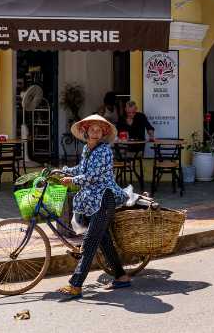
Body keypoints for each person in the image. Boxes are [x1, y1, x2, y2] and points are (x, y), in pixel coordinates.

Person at [55, 114, 131, 299]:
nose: (95, 132)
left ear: (103, 133)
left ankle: (76, 285)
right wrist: (64, 171)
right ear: (86, 131)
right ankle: (121, 276)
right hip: (92, 201)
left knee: (90, 242)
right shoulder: (86, 149)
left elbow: (93, 176)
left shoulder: (104, 150)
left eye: (99, 130)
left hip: (104, 199)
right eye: (92, 129)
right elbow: (82, 169)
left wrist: (72, 180)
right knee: (103, 240)